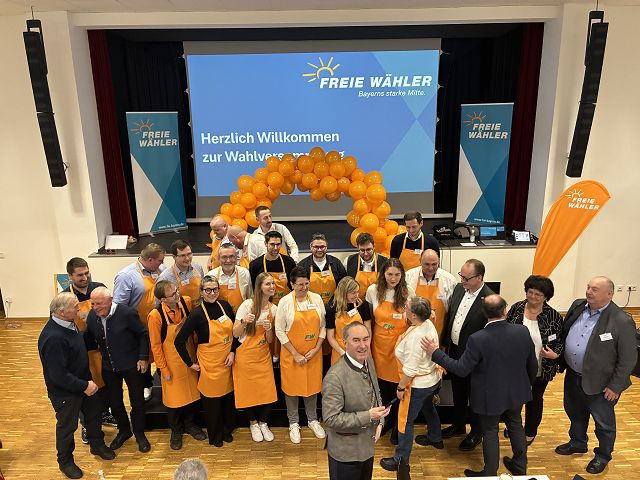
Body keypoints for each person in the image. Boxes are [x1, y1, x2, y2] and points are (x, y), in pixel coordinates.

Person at [422, 294, 537, 477]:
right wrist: (525, 384)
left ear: (484, 314)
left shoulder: (478, 338)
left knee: (490, 431)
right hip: (516, 392)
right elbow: (532, 365)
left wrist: (435, 353)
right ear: (505, 311)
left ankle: (490, 472)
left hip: (489, 396)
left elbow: (461, 369)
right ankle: (520, 466)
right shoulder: (522, 331)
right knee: (516, 425)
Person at [555, 276, 637, 475]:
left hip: (602, 384)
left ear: (609, 294)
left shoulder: (622, 320)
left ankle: (603, 456)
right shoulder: (578, 306)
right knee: (575, 412)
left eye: (595, 289)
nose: (589, 292)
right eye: (588, 287)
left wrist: (616, 386)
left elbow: (628, 359)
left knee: (604, 423)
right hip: (574, 375)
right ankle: (578, 442)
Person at [38, 292, 115, 479]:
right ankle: (65, 461)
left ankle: (97, 446)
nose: (79, 309)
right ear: (62, 312)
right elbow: (58, 375)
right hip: (66, 392)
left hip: (84, 383)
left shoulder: (70, 323)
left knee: (94, 416)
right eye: (75, 307)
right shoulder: (53, 337)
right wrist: (84, 386)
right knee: (67, 427)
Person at [84, 287, 151, 453]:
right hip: (109, 367)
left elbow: (143, 334)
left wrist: (143, 357)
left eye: (99, 304)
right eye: (93, 304)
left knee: (137, 402)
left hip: (132, 365)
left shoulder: (127, 313)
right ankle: (124, 430)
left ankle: (139, 433)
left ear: (110, 301)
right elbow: (89, 339)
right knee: (114, 402)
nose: (95, 307)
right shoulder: (92, 316)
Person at [380, 296, 443, 473]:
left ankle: (400, 459)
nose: (404, 308)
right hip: (432, 380)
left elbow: (411, 369)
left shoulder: (416, 337)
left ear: (413, 315)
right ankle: (436, 437)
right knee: (428, 407)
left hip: (417, 385)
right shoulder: (427, 323)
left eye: (407, 307)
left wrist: (400, 387)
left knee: (405, 421)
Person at [174, 275, 239, 447]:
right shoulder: (196, 314)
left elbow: (235, 334)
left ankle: (227, 430)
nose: (212, 293)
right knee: (212, 404)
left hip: (228, 362)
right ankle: (215, 435)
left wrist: (232, 352)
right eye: (208, 290)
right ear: (201, 292)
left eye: (215, 289)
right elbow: (179, 341)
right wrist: (190, 363)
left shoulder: (225, 306)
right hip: (209, 365)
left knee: (227, 401)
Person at [322, 321, 389, 480]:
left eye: (366, 339)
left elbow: (376, 392)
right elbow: (331, 419)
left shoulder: (368, 360)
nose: (363, 345)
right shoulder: (334, 377)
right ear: (345, 343)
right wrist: (369, 416)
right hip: (346, 455)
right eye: (356, 340)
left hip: (367, 448)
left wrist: (380, 422)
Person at [440, 258, 493, 451]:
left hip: (476, 359)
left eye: (466, 278)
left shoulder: (490, 299)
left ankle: (476, 432)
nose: (462, 280)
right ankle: (459, 424)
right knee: (458, 392)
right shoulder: (458, 289)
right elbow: (451, 319)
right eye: (461, 275)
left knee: (475, 396)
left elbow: (492, 333)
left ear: (479, 278)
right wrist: (445, 344)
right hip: (455, 352)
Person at [505, 275, 564, 445]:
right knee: (513, 399)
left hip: (540, 367)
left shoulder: (553, 316)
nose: (533, 297)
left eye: (538, 294)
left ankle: (530, 432)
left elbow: (561, 341)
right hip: (514, 367)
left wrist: (555, 355)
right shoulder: (517, 308)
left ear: (546, 297)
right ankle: (514, 426)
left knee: (534, 400)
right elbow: (505, 330)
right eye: (530, 292)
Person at [148, 280, 206, 450]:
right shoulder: (155, 316)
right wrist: (163, 368)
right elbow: (156, 346)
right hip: (171, 363)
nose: (177, 294)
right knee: (174, 400)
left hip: (189, 358)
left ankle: (190, 425)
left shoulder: (185, 302)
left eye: (176, 290)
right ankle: (176, 430)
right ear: (163, 299)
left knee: (191, 395)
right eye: (173, 294)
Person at [62, 257, 116, 439]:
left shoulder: (98, 288)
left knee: (105, 385)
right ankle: (86, 424)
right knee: (86, 389)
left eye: (87, 273)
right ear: (70, 276)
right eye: (80, 275)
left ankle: (105, 413)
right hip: (81, 351)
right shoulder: (65, 298)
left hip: (101, 348)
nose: (85, 278)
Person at [365, 258, 415, 444]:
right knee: (382, 387)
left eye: (397, 275)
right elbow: (369, 320)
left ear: (402, 275)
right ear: (382, 274)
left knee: (399, 388)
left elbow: (413, 320)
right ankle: (385, 421)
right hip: (379, 346)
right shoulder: (372, 291)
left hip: (400, 347)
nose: (393, 278)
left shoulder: (408, 292)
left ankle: (397, 425)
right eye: (389, 274)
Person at [275, 266, 327, 443]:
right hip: (292, 355)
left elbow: (323, 326)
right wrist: (295, 354)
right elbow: (279, 330)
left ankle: (312, 420)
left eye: (306, 284)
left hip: (313, 354)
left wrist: (317, 348)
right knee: (291, 390)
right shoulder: (285, 302)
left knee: (312, 388)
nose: (304, 288)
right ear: (292, 284)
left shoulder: (317, 299)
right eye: (299, 285)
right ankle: (294, 423)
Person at [113, 242, 166, 401]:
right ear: (150, 260)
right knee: (143, 357)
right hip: (138, 326)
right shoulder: (126, 276)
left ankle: (164, 379)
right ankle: (146, 385)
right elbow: (119, 306)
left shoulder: (160, 270)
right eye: (160, 261)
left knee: (161, 352)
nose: (162, 264)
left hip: (159, 322)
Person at [231, 272, 278, 442]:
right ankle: (253, 423)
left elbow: (270, 340)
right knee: (247, 391)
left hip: (263, 355)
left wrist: (268, 329)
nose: (272, 287)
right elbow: (235, 333)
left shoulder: (274, 309)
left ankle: (264, 423)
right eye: (268, 284)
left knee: (268, 391)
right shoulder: (247, 305)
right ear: (259, 286)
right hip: (245, 355)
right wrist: (244, 321)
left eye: (273, 283)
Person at [405, 249, 457, 340]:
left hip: (439, 332)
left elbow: (453, 309)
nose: (430, 268)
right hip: (412, 332)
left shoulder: (449, 280)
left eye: (434, 264)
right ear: (420, 261)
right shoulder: (408, 277)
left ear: (439, 262)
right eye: (427, 264)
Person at [325, 276, 372, 365]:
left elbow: (368, 330)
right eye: (353, 293)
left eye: (357, 292)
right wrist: (343, 353)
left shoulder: (361, 305)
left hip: (361, 348)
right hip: (340, 351)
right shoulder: (331, 308)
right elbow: (330, 337)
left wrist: (365, 347)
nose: (356, 295)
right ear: (343, 293)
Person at [298, 233, 347, 305]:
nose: (319, 250)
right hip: (311, 305)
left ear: (326, 247)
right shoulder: (302, 265)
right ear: (311, 247)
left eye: (322, 247)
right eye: (316, 247)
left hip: (334, 305)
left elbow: (344, 284)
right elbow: (299, 287)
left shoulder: (336, 263)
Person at [248, 231, 296, 305]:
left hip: (286, 304)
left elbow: (294, 284)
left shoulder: (289, 262)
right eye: (272, 244)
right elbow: (254, 288)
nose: (275, 248)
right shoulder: (255, 265)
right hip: (265, 306)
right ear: (265, 244)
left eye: (278, 244)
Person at [206, 242, 252, 313]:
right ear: (219, 258)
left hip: (241, 316)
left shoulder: (244, 273)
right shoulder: (211, 275)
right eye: (224, 257)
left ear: (236, 257)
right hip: (219, 316)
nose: (228, 260)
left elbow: (250, 297)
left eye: (231, 256)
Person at [157, 240, 205, 306]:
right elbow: (159, 303)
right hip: (180, 311)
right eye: (183, 255)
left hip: (198, 308)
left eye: (189, 254)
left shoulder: (198, 268)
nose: (187, 258)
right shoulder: (165, 277)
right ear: (174, 257)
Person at [345, 232, 388, 301]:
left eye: (368, 249)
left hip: (377, 301)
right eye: (362, 250)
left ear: (374, 247)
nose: (365, 254)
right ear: (357, 248)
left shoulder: (384, 262)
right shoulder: (348, 261)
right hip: (356, 302)